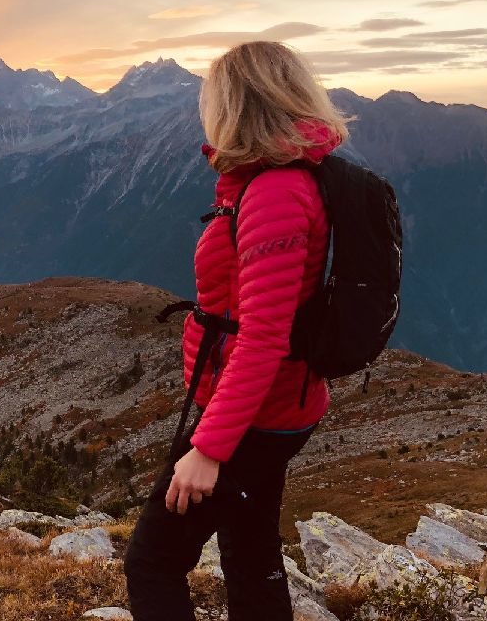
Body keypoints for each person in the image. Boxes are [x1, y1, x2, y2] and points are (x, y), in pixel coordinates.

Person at [123, 41, 349, 620]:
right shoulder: (285, 177)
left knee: (154, 561)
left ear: (237, 106)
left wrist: (207, 448)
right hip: (276, 406)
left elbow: (263, 337)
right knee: (250, 554)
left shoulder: (275, 193)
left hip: (255, 414)